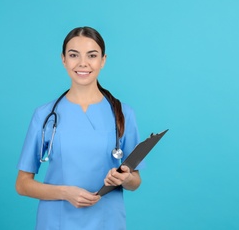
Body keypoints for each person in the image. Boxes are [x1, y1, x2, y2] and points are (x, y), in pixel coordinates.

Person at [15, 26, 143, 230]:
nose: (83, 63)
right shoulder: (45, 115)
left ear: (103, 60)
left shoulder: (123, 114)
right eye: (74, 55)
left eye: (92, 55)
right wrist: (65, 193)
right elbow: (22, 184)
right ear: (63, 59)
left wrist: (125, 178)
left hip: (107, 221)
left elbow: (135, 181)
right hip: (57, 221)